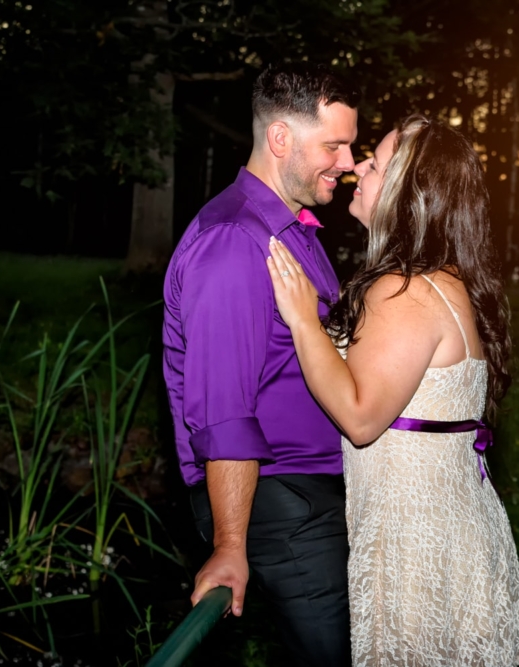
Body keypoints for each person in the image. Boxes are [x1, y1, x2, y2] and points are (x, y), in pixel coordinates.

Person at [265, 115, 519, 665]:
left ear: (409, 194)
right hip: (448, 535)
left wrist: (301, 322)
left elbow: (361, 418)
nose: (356, 169)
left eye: (375, 164)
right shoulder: (442, 278)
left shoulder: (403, 290)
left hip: (416, 547)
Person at [162, 63, 358, 666]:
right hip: (281, 503)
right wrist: (229, 544)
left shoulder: (294, 230)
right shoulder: (233, 242)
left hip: (311, 494)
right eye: (334, 145)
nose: (348, 162)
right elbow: (224, 411)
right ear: (280, 140)